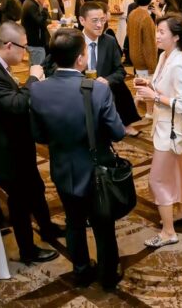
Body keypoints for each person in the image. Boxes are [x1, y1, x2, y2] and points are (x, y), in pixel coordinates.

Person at [29, 28, 126, 289]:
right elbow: (118, 132)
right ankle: (108, 275)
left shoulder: (38, 91)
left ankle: (81, 271)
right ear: (81, 58)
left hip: (62, 167)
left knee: (73, 222)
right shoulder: (97, 90)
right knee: (103, 225)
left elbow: (39, 135)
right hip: (97, 170)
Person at [0, 22, 61, 264]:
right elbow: (17, 105)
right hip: (6, 151)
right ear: (8, 45)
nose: (25, 53)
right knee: (19, 203)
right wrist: (33, 79)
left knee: (36, 189)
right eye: (23, 48)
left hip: (16, 146)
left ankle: (47, 228)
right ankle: (28, 251)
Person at [135, 14, 182, 248]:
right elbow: (160, 85)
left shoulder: (180, 64)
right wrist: (147, 86)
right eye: (157, 31)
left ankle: (168, 232)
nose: (157, 35)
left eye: (161, 32)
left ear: (176, 37)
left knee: (157, 179)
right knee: (177, 171)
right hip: (163, 125)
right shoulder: (163, 56)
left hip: (171, 131)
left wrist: (156, 96)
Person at [79, 0, 141, 136]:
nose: (100, 25)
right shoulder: (73, 41)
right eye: (94, 20)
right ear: (82, 20)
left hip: (105, 90)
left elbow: (120, 70)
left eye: (102, 19)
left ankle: (124, 125)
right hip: (79, 91)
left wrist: (107, 80)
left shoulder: (109, 41)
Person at [127, 0, 158, 76]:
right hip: (144, 61)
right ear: (149, 0)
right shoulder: (146, 18)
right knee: (146, 87)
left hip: (134, 56)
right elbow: (149, 44)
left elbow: (128, 33)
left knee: (140, 87)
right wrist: (152, 67)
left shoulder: (132, 13)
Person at [21, 0, 52, 67]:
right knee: (38, 69)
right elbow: (41, 22)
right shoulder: (31, 5)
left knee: (34, 67)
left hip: (32, 41)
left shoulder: (29, 3)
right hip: (35, 43)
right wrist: (45, 9)